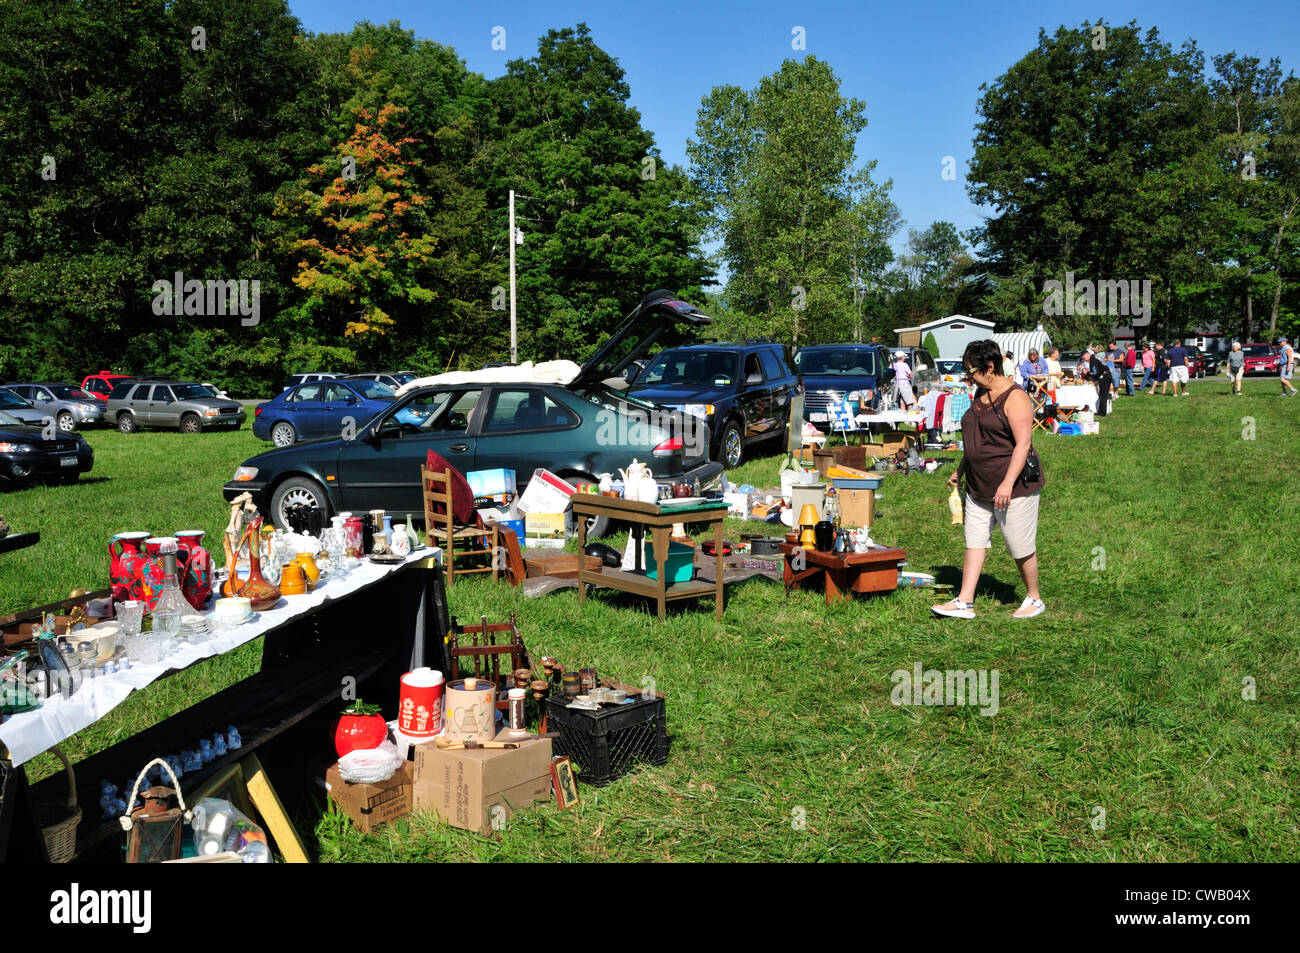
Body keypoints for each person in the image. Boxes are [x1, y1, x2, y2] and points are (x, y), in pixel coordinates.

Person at [933, 339, 1045, 620]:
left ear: (990, 367)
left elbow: (1023, 444)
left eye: (971, 372)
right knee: (974, 541)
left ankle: (1034, 597)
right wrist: (961, 468)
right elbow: (976, 440)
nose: (969, 378)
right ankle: (964, 601)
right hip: (978, 484)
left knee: (1019, 545)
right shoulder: (979, 396)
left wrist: (1007, 483)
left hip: (1014, 487)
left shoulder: (1015, 397)